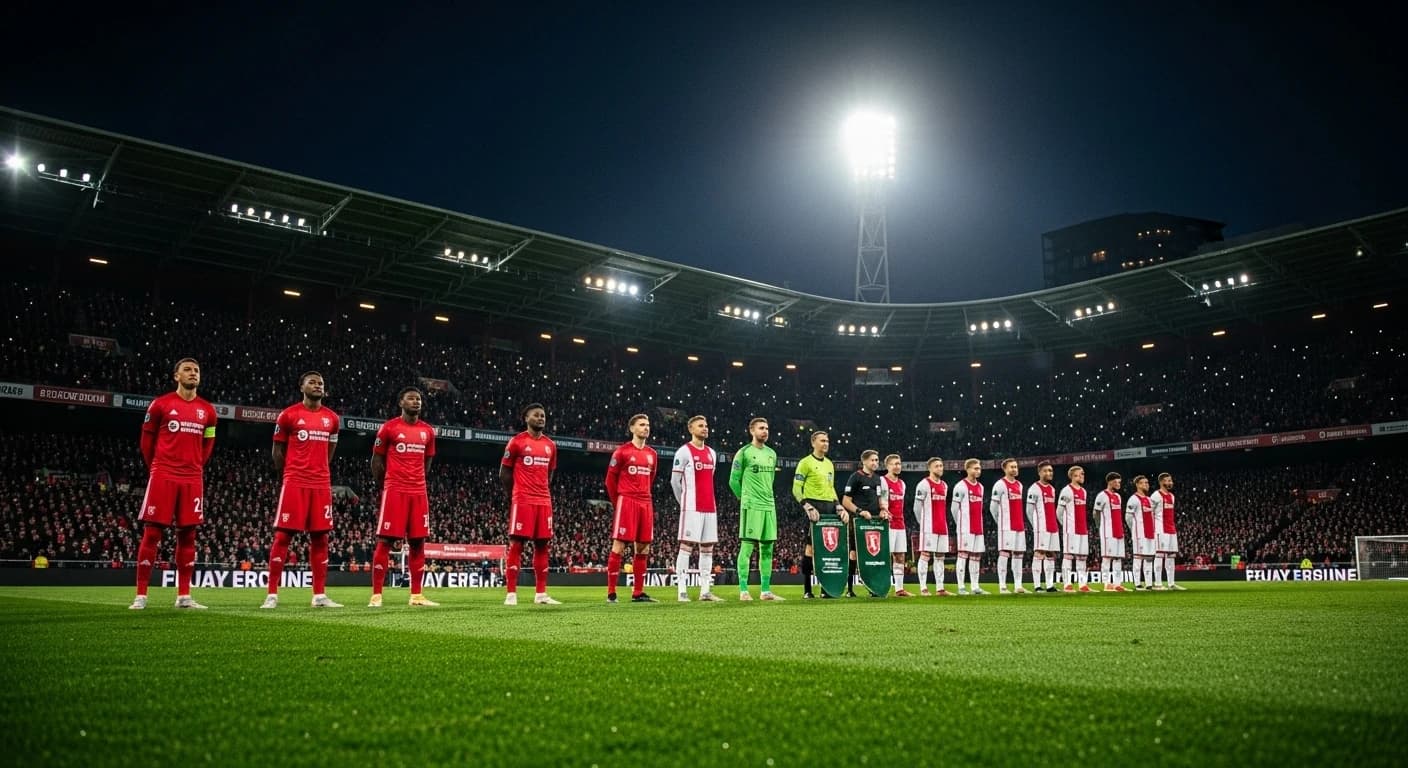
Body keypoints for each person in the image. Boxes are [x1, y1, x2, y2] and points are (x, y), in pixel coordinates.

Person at [130, 358, 218, 610]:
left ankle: (184, 596)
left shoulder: (208, 412)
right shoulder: (161, 404)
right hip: (163, 475)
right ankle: (141, 595)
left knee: (188, 535)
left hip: (192, 478)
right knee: (153, 533)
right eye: (188, 370)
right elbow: (146, 440)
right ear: (176, 376)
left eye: (197, 370)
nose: (193, 373)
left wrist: (196, 465)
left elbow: (208, 443)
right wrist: (156, 468)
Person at [261, 371, 341, 609]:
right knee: (283, 536)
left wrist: (318, 471)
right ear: (301, 387)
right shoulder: (289, 415)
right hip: (295, 482)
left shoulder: (332, 419)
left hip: (320, 484)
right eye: (313, 382)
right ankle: (272, 594)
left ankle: (319, 595)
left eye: (321, 383)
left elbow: (330, 451)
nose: (318, 386)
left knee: (321, 537)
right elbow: (277, 452)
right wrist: (289, 476)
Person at [369, 387, 438, 608]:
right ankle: (377, 595)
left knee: (418, 542)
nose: (416, 402)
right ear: (401, 402)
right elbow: (376, 462)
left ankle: (416, 595)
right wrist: (387, 485)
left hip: (418, 492)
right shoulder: (389, 428)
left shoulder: (427, 431)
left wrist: (416, 481)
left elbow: (427, 462)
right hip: (395, 491)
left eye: (418, 399)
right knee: (386, 540)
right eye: (411, 398)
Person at [500, 403, 561, 606]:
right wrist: (515, 495)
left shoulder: (550, 445)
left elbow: (550, 474)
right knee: (517, 544)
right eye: (536, 415)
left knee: (542, 544)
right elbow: (504, 473)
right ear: (526, 418)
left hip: (543, 500)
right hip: (523, 499)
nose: (541, 418)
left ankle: (541, 594)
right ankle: (511, 594)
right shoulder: (517, 442)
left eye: (543, 415)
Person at [605, 414, 659, 603]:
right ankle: (611, 593)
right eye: (642, 425)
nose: (646, 428)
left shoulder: (652, 454)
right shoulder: (622, 452)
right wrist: (617, 502)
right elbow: (610, 480)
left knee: (643, 547)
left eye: (648, 424)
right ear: (632, 428)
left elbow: (651, 479)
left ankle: (638, 592)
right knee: (619, 545)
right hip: (626, 501)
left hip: (645, 501)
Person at [729, 417, 783, 601]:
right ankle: (744, 590)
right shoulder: (743, 452)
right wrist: (744, 499)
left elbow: (771, 482)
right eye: (761, 428)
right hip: (751, 506)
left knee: (768, 549)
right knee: (747, 548)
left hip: (769, 505)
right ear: (752, 431)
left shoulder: (772, 453)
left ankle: (765, 591)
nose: (765, 431)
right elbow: (733, 480)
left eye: (767, 428)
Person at [671, 415, 723, 602]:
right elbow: (674, 482)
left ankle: (705, 591)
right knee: (686, 547)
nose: (705, 428)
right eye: (701, 425)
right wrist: (683, 502)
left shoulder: (712, 453)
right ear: (691, 429)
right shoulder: (683, 452)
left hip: (710, 507)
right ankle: (682, 591)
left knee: (707, 548)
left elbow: (709, 480)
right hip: (691, 507)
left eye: (706, 425)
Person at [793, 430, 843, 599]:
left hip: (829, 507)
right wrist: (806, 505)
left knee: (828, 549)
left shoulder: (829, 464)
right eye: (822, 440)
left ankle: (826, 588)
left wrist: (839, 506)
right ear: (813, 443)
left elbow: (831, 488)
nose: (826, 443)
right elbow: (796, 489)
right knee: (811, 549)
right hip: (813, 506)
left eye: (827, 440)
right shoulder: (805, 463)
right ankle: (807, 590)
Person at [841, 450, 885, 597]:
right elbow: (845, 501)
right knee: (853, 554)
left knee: (872, 554)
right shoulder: (855, 477)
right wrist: (860, 511)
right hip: (858, 522)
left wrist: (883, 510)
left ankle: (873, 588)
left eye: (877, 460)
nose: (875, 463)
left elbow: (879, 500)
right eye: (872, 460)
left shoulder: (878, 479)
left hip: (874, 522)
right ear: (864, 462)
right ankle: (849, 589)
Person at [913, 457, 952, 596]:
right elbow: (916, 508)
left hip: (942, 526)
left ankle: (940, 588)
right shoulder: (923, 484)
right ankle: (923, 588)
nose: (940, 468)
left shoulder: (945, 485)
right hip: (928, 526)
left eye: (941, 465)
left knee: (940, 557)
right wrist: (922, 523)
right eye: (937, 466)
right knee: (925, 555)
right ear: (929, 468)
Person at [951, 458, 988, 595]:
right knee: (963, 555)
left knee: (976, 556)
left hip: (978, 527)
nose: (978, 471)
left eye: (979, 468)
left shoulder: (981, 487)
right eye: (975, 468)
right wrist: (960, 523)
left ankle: (975, 586)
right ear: (968, 469)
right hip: (965, 528)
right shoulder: (960, 486)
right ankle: (961, 587)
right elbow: (954, 509)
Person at [991, 458, 1027, 594]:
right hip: (1006, 525)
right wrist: (1000, 522)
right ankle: (1002, 586)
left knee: (1018, 555)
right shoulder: (1000, 485)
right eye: (1011, 467)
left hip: (1019, 525)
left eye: (1016, 466)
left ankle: (1018, 585)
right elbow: (993, 507)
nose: (1014, 469)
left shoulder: (1019, 485)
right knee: (1005, 554)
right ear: (1005, 469)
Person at [881, 454, 914, 597]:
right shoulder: (883, 481)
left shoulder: (902, 484)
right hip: (887, 524)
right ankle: (881, 587)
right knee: (884, 556)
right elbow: (881, 501)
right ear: (887, 466)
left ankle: (899, 589)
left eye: (899, 464)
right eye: (894, 464)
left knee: (900, 556)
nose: (897, 466)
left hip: (900, 524)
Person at [1027, 461, 1061, 592]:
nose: (1049, 473)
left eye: (1051, 471)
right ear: (1040, 473)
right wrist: (1036, 525)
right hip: (1042, 526)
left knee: (1051, 554)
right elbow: (1029, 510)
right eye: (1046, 471)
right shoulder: (1034, 488)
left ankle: (1050, 585)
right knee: (1039, 553)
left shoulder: (1052, 489)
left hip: (1053, 526)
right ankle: (1037, 585)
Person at [1058, 465, 1092, 592]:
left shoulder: (1083, 492)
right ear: (1072, 476)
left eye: (1083, 474)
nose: (1082, 476)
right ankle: (1067, 584)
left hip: (1082, 529)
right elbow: (1059, 512)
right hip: (1071, 529)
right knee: (1068, 556)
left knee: (1082, 557)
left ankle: (1082, 584)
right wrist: (1066, 525)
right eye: (1079, 474)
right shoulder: (1066, 490)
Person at [1093, 472, 1128, 592]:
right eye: (1117, 481)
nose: (1119, 484)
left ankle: (1117, 584)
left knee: (1118, 558)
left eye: (1120, 482)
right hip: (1107, 531)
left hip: (1119, 530)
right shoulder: (1102, 495)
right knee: (1107, 558)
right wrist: (1099, 527)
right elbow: (1095, 513)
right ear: (1110, 482)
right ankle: (1107, 584)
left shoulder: (1118, 497)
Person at [1152, 472, 1185, 590]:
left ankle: (1171, 584)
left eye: (1171, 480)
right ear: (1161, 482)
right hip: (1160, 530)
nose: (1171, 482)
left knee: (1171, 557)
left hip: (1171, 530)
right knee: (1159, 556)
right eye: (1168, 480)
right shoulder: (1156, 495)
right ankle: (1158, 583)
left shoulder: (1172, 496)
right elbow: (1149, 513)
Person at [1127, 475, 1158, 590]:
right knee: (1138, 558)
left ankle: (1149, 584)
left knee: (1149, 558)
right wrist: (1134, 530)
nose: (1147, 485)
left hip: (1150, 533)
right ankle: (1137, 584)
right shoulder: (1133, 499)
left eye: (1147, 482)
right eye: (1144, 483)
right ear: (1138, 485)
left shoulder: (1150, 500)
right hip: (1140, 534)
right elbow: (1128, 517)